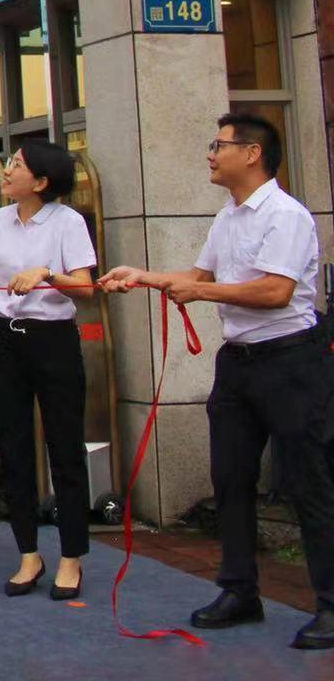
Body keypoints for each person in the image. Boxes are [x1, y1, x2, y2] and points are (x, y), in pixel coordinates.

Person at [101, 113, 334, 650]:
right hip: (239, 365)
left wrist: (202, 295)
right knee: (229, 478)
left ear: (252, 154)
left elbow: (275, 292)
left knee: (309, 483)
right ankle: (239, 590)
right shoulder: (227, 217)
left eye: (219, 145)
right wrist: (143, 277)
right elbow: (201, 277)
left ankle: (329, 602)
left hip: (292, 361)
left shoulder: (287, 216)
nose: (210, 154)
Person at [0, 141, 94, 601]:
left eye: (17, 165)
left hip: (54, 338)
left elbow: (85, 287)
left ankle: (71, 557)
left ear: (42, 182)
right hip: (3, 338)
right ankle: (28, 554)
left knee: (65, 448)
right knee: (13, 447)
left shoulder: (68, 222)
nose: (7, 171)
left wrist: (47, 275)